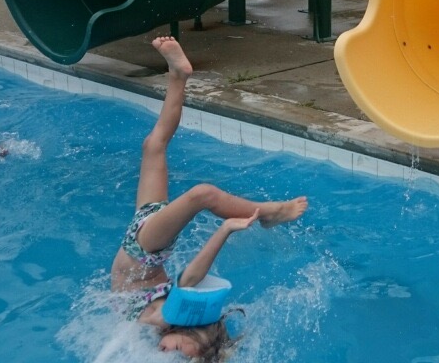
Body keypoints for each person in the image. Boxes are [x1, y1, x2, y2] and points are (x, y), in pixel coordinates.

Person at [112, 36, 309, 359]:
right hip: (143, 250)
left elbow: (187, 283)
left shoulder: (160, 330)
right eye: (183, 354)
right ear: (197, 338)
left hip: (142, 242)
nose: (172, 354)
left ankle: (178, 76)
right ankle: (272, 212)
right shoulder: (169, 317)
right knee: (202, 194)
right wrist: (224, 229)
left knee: (154, 145)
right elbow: (190, 277)